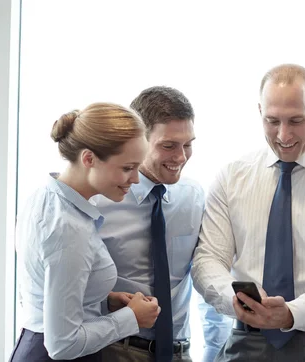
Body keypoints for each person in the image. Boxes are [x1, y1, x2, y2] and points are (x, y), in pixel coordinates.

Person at [191, 64, 305, 362]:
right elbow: (207, 259)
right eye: (272, 120)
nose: (283, 134)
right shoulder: (231, 177)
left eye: (296, 120)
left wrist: (292, 313)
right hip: (246, 338)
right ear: (260, 111)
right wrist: (234, 299)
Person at [11, 103, 160, 361]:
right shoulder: (68, 228)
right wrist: (130, 318)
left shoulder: (45, 197)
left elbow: (46, 288)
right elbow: (62, 345)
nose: (136, 179)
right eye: (127, 168)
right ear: (88, 158)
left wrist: (103, 301)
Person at [92, 86, 231, 362]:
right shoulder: (99, 201)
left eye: (188, 144)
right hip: (115, 350)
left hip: (181, 353)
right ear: (137, 139)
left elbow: (206, 274)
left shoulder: (193, 197)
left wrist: (215, 351)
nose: (180, 157)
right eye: (168, 145)